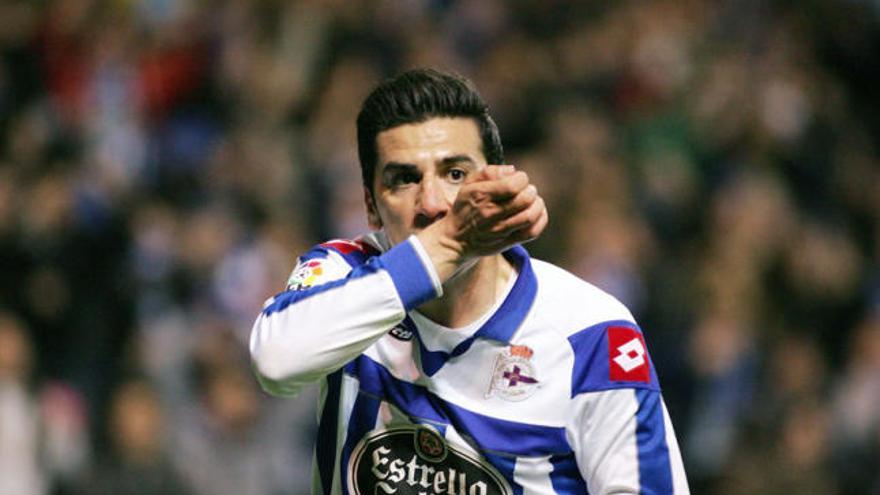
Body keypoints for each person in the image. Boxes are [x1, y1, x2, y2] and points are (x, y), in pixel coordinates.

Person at [249, 68, 689, 494]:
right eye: (404, 180)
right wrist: (452, 244)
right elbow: (276, 361)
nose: (434, 204)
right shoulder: (345, 273)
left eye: (455, 174)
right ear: (371, 206)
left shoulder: (592, 333)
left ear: (496, 182)